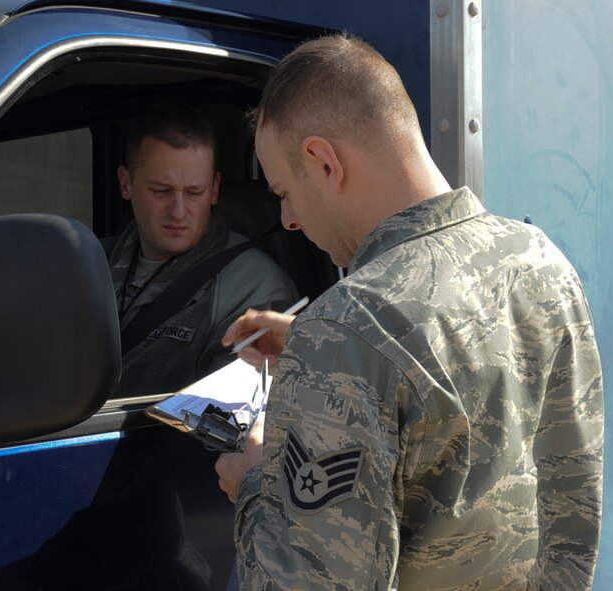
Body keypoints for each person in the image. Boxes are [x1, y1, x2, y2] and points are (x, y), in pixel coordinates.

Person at [214, 33, 604, 590]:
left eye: (283, 191)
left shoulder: (347, 330)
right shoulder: (541, 261)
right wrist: (309, 337)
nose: (289, 219)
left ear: (323, 161)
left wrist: (257, 484)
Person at [106, 109, 297, 396]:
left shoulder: (251, 286)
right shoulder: (88, 263)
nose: (178, 211)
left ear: (214, 190)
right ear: (126, 183)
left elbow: (236, 414)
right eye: (161, 190)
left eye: (194, 192)